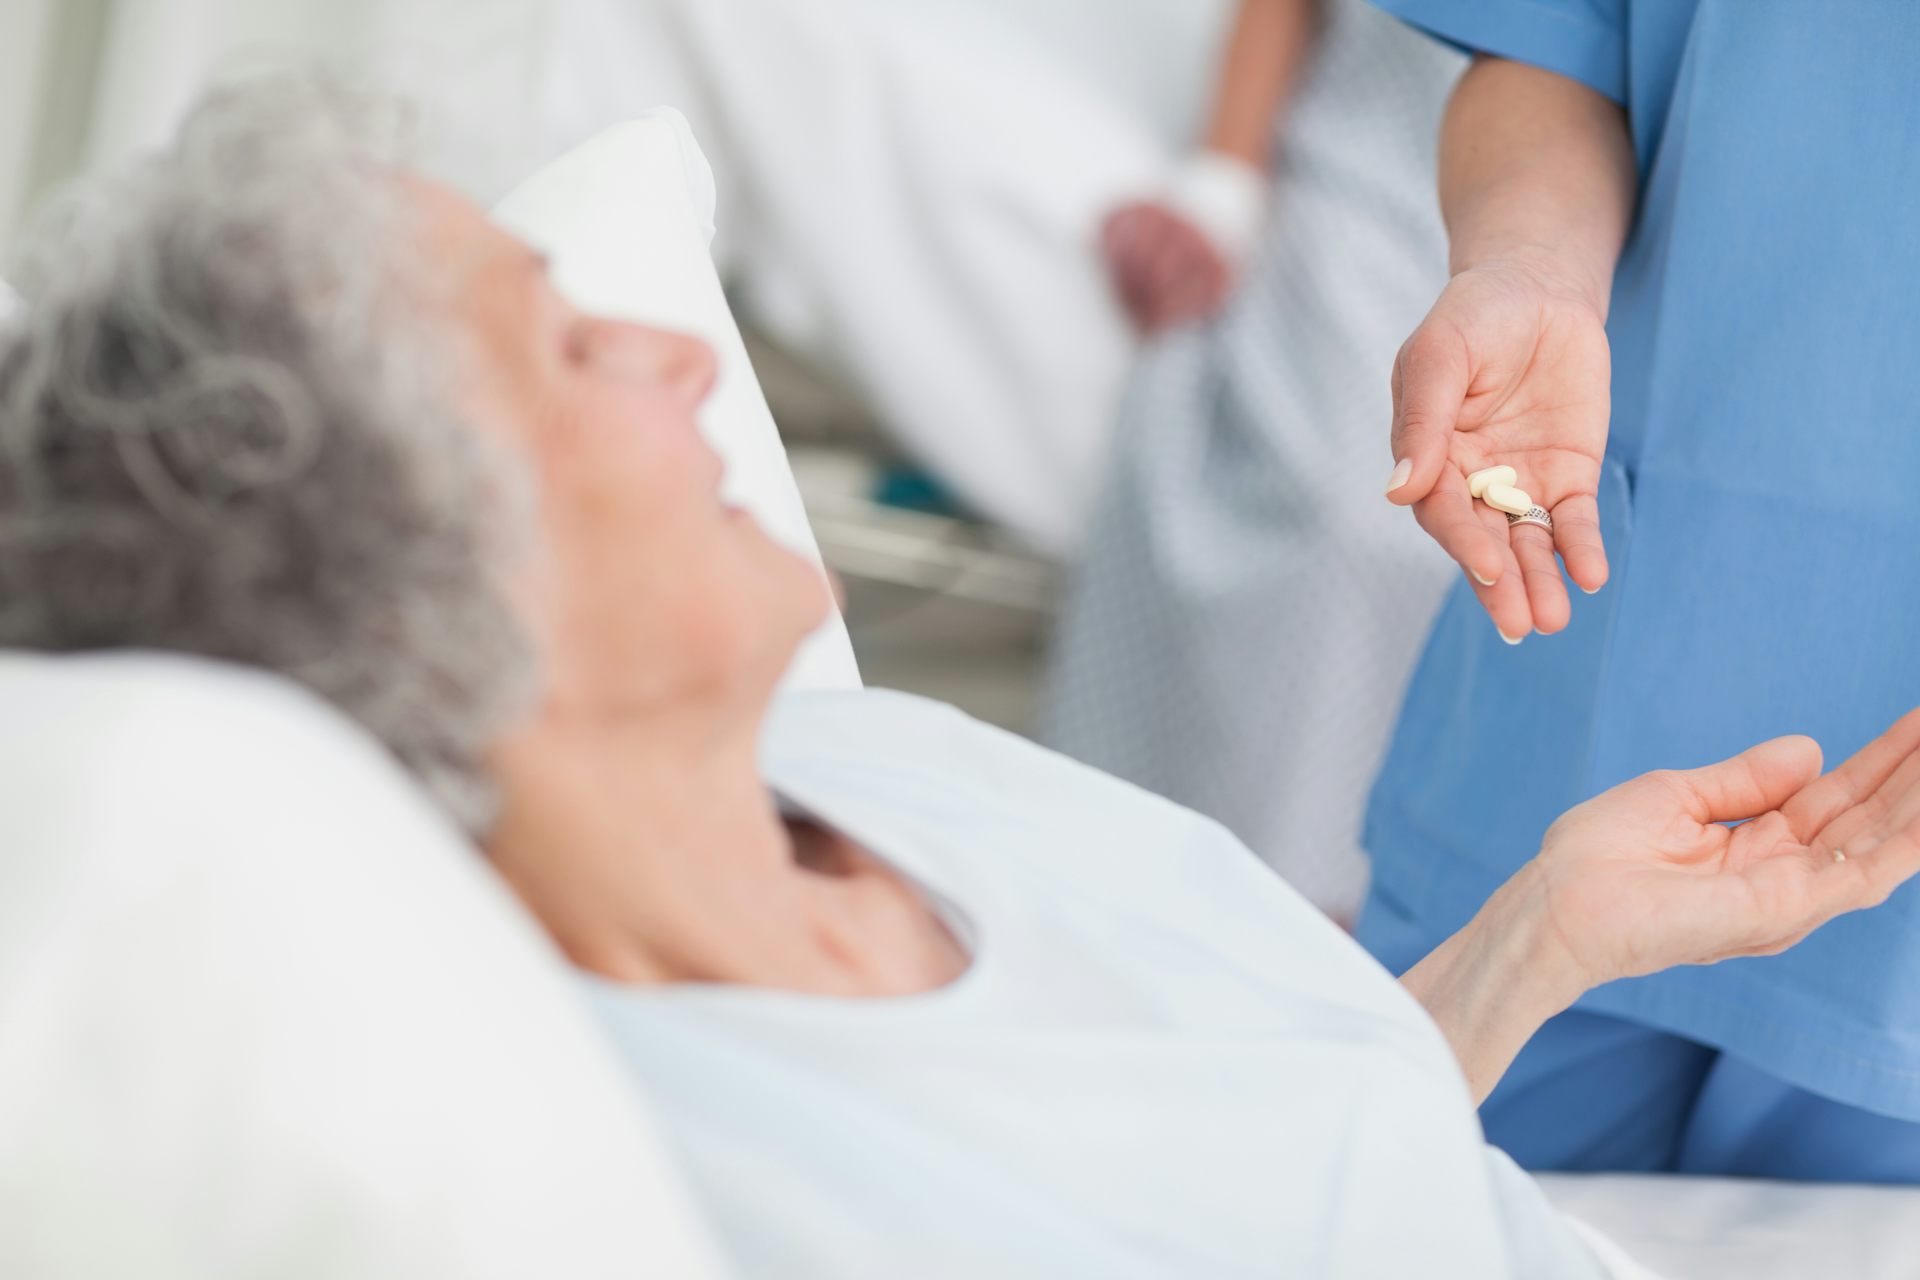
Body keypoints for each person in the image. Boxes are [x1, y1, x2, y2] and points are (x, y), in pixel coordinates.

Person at [7, 80, 1920, 1276]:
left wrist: (1549, 940)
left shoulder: (898, 776)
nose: (687, 360)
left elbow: (1256, 1148)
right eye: (576, 354)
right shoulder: (627, 1138)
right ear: (409, 569)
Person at [1360, 0, 1920, 1182]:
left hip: (1892, 895)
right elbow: (1559, 49)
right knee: (1399, 1188)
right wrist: (1529, 268)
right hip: (1584, 671)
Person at [1044, 0, 1461, 918]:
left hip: (1615, 255)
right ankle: (1224, 915)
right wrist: (1223, 184)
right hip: (1370, 182)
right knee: (1348, 522)